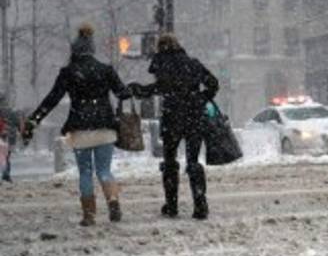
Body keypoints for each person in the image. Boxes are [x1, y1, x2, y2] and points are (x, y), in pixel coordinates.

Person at [23, 24, 130, 225]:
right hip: (105, 128)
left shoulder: (68, 72)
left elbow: (52, 99)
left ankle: (89, 215)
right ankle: (113, 201)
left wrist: (34, 119)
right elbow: (123, 93)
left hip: (80, 129)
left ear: (75, 50)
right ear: (92, 49)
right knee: (104, 170)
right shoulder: (105, 70)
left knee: (85, 172)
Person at [129, 34, 218, 220]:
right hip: (194, 117)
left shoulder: (162, 64)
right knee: (193, 161)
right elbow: (213, 83)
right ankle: (200, 203)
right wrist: (201, 97)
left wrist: (139, 89)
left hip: (172, 118)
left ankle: (172, 205)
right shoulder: (192, 63)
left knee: (170, 162)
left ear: (160, 47)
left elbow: (159, 88)